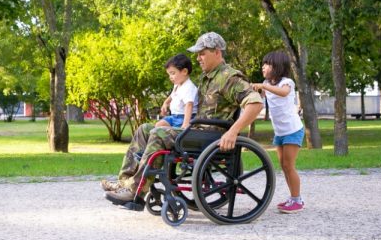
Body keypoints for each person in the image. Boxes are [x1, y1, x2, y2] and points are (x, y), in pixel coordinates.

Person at [101, 32, 264, 205]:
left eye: (202, 53)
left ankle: (136, 192)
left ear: (217, 52)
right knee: (144, 129)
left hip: (210, 135)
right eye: (197, 54)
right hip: (196, 131)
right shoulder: (207, 77)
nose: (198, 58)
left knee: (159, 133)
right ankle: (125, 183)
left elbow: (255, 103)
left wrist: (233, 132)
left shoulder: (229, 78)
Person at [252, 50, 305, 213]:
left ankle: (298, 200)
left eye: (267, 64)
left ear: (278, 67)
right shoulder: (266, 84)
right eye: (263, 64)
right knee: (283, 166)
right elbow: (259, 100)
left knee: (289, 165)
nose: (263, 67)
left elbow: (284, 93)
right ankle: (292, 198)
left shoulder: (286, 82)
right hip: (280, 132)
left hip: (292, 130)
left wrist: (264, 86)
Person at [156, 54, 198, 129]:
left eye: (173, 73)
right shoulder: (178, 85)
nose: (170, 77)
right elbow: (172, 96)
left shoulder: (188, 87)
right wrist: (165, 103)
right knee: (159, 125)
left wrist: (186, 123)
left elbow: (189, 105)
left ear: (184, 71)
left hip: (183, 118)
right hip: (174, 117)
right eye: (169, 74)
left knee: (160, 130)